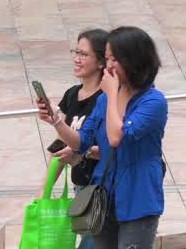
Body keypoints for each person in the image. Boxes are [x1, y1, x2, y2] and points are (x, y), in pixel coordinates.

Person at [38, 27, 167, 249]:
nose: (109, 66)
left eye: (114, 59)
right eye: (107, 58)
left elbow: (117, 136)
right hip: (104, 200)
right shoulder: (104, 100)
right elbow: (81, 142)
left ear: (134, 60)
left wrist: (111, 94)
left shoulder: (153, 102)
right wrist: (57, 120)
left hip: (138, 199)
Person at [40, 30, 108, 249]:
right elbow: (62, 145)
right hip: (81, 188)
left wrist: (83, 152)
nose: (77, 59)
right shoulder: (72, 94)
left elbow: (113, 146)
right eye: (75, 52)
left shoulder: (106, 100)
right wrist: (44, 190)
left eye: (84, 54)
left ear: (101, 62)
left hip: (100, 189)